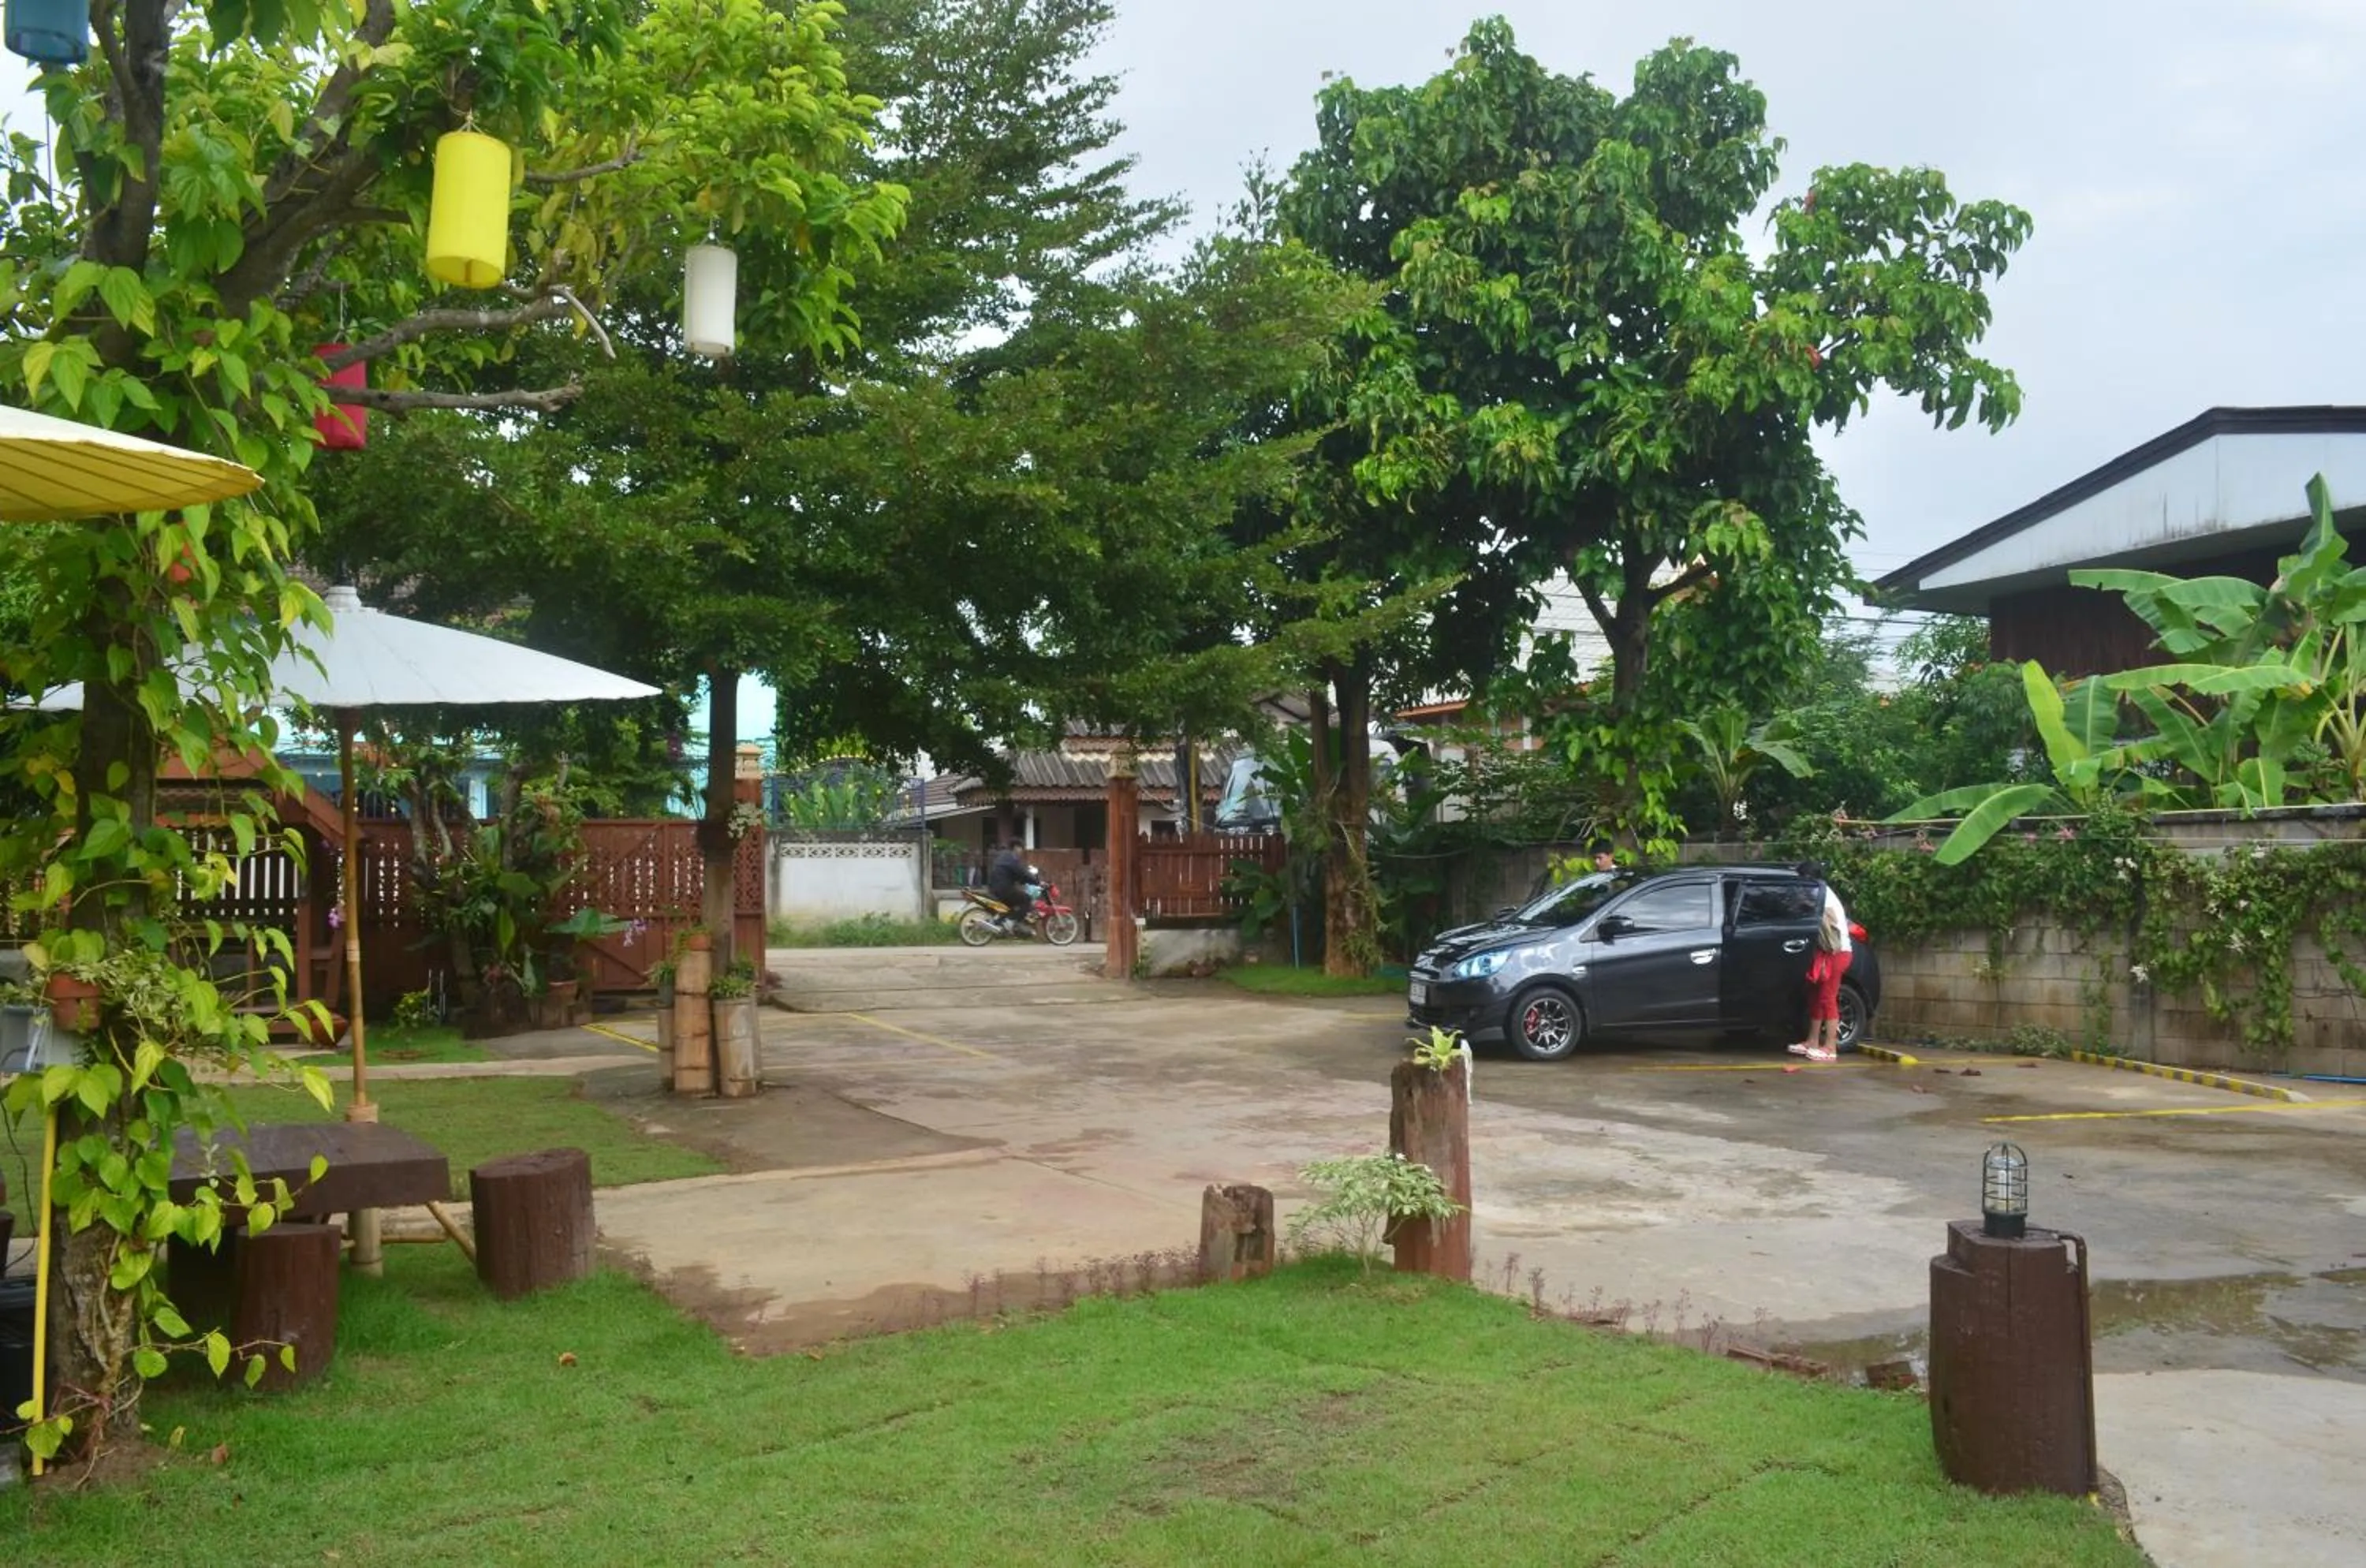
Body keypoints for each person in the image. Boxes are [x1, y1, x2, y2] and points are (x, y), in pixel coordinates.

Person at [1790, 861, 1853, 1062]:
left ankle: (1830, 1047)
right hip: (1825, 952)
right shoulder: (1820, 893)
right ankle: (1813, 1041)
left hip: (1837, 952)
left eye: (1801, 880)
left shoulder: (1822, 895)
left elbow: (1827, 920)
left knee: (1827, 997)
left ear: (1809, 879)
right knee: (1816, 995)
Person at [987, 839, 1035, 930]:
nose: (1021, 851)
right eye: (1021, 848)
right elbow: (1022, 872)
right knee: (1027, 899)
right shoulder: (1012, 858)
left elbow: (1015, 874)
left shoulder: (1004, 856)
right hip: (1003, 889)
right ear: (1016, 847)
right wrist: (1036, 881)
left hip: (995, 887)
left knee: (1010, 906)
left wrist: (1023, 880)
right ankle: (1011, 922)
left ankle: (1001, 924)